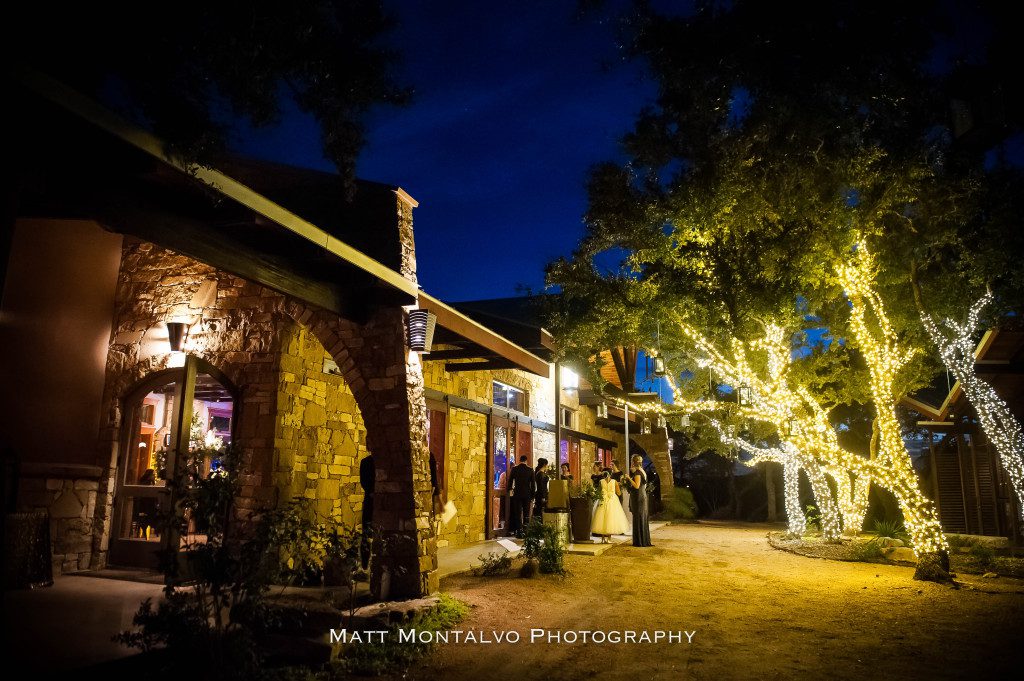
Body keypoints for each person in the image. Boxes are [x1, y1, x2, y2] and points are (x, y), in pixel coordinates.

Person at [621, 454, 653, 547]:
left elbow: (636, 485)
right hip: (641, 496)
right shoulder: (642, 471)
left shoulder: (638, 473)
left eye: (632, 461)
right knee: (640, 517)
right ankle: (642, 540)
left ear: (633, 462)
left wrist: (628, 478)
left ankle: (639, 541)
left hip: (638, 498)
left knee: (638, 518)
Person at [591, 470, 629, 542]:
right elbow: (619, 493)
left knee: (602, 518)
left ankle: (602, 539)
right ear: (611, 474)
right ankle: (609, 538)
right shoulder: (614, 482)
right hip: (612, 500)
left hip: (603, 500)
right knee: (610, 518)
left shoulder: (601, 481)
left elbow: (598, 491)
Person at [508, 455, 536, 536]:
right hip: (527, 494)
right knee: (526, 513)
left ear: (519, 460)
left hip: (517, 494)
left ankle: (519, 530)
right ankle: (526, 530)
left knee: (518, 513)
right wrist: (533, 495)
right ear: (526, 461)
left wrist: (510, 490)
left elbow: (510, 480)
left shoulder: (515, 469)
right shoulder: (530, 470)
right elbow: (533, 484)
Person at [359, 453, 375, 570]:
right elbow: (364, 481)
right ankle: (365, 564)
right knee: (367, 532)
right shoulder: (365, 462)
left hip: (380, 501)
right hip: (370, 500)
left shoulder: (383, 462)